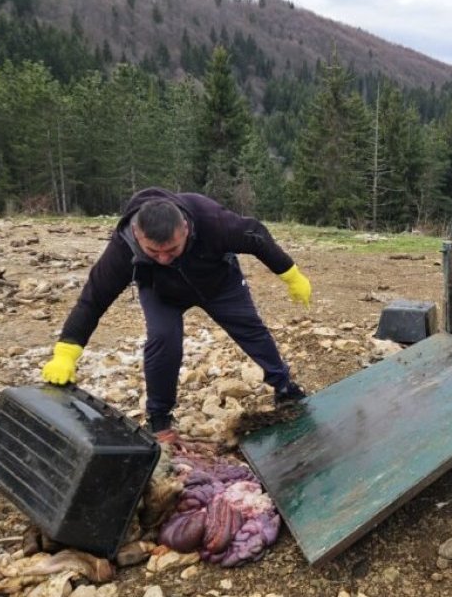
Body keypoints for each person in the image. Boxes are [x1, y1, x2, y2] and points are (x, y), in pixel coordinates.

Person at [40, 187, 312, 443]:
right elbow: (93, 299)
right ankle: (159, 419)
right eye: (153, 251)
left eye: (171, 250)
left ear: (185, 227)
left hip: (218, 282)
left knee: (249, 328)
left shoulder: (211, 221)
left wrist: (290, 274)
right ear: (137, 233)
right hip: (162, 293)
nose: (163, 259)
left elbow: (256, 235)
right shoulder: (123, 248)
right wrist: (66, 353)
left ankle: (284, 387)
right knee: (163, 338)